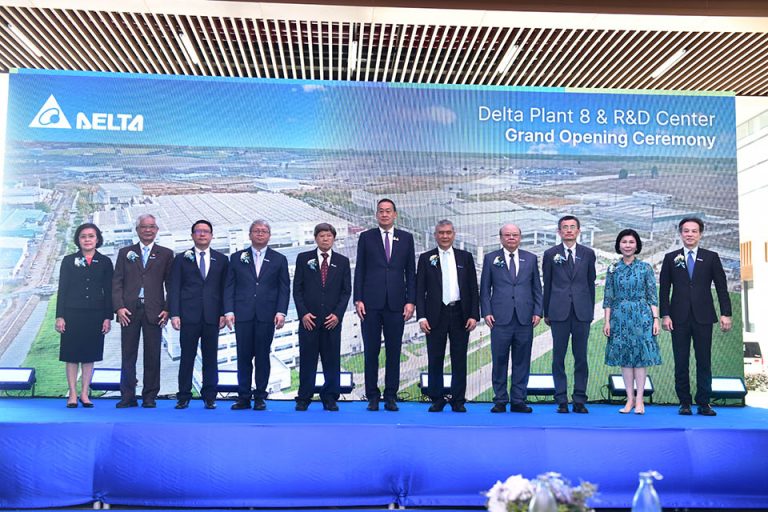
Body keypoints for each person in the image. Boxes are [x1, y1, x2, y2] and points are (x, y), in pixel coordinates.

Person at [659, 217, 732, 416]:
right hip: (678, 318)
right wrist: (665, 315)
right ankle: (684, 402)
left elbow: (722, 287)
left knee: (704, 361)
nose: (689, 234)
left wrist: (726, 313)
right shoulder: (670, 258)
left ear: (700, 234)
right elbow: (664, 289)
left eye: (694, 231)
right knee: (681, 361)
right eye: (686, 231)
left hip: (704, 317)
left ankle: (704, 402)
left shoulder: (711, 257)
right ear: (680, 233)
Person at [354, 198, 416, 412]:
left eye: (388, 211)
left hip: (396, 305)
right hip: (370, 304)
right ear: (376, 214)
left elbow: (411, 272)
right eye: (381, 211)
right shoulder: (366, 237)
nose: (384, 214)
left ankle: (391, 395)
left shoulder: (406, 238)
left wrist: (411, 301)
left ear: (395, 214)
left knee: (393, 352)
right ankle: (372, 395)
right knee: (371, 352)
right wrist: (358, 299)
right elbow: (360, 269)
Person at [224, 220, 290, 411]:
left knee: (262, 357)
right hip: (243, 315)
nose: (260, 234)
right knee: (243, 357)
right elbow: (229, 286)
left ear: (269, 235)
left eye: (264, 231)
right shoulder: (236, 258)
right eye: (256, 231)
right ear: (250, 234)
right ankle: (243, 397)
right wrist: (229, 311)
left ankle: (260, 396)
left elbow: (284, 288)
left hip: (266, 316)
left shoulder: (279, 259)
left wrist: (281, 311)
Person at [416, 220, 479, 412]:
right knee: (435, 358)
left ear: (454, 234)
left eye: (448, 232)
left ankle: (458, 399)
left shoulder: (465, 257)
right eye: (441, 233)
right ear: (435, 235)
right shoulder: (426, 258)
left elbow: (473, 288)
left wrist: (474, 315)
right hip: (435, 315)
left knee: (459, 358)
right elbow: (420, 290)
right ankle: (436, 398)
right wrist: (421, 317)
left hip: (460, 314)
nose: (445, 236)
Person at [112, 214, 173, 408]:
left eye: (151, 227)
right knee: (128, 354)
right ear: (137, 230)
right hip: (128, 311)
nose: (148, 230)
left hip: (155, 311)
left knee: (153, 354)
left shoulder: (166, 254)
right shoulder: (125, 253)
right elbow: (117, 282)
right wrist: (119, 307)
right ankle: (128, 396)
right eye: (144, 227)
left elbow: (171, 284)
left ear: (156, 230)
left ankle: (150, 396)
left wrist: (168, 309)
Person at [480, 223, 542, 413]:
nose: (511, 238)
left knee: (522, 361)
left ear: (520, 237)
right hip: (499, 319)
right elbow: (484, 289)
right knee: (499, 361)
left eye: (515, 235)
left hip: (525, 318)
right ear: (501, 238)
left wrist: (538, 311)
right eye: (507, 235)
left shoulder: (530, 258)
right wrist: (486, 312)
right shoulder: (491, 258)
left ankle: (518, 400)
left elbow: (537, 288)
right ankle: (500, 400)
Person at [168, 220, 229, 410]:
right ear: (192, 235)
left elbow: (225, 289)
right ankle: (183, 396)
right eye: (198, 231)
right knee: (187, 357)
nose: (202, 234)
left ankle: (209, 396)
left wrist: (223, 313)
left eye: (206, 231)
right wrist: (174, 314)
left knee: (211, 358)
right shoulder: (181, 259)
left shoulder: (221, 259)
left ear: (211, 235)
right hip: (188, 316)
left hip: (212, 316)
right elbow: (174, 288)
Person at [293, 223, 351, 411]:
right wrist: (303, 313)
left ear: (334, 238)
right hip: (309, 321)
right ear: (315, 238)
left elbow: (346, 292)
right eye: (321, 236)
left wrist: (337, 315)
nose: (325, 239)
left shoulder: (342, 261)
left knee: (332, 361)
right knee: (307, 361)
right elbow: (297, 290)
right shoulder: (304, 259)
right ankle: (304, 398)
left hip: (331, 322)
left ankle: (330, 397)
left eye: (329, 236)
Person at [602, 229, 661, 415]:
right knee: (625, 359)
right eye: (624, 242)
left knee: (640, 359)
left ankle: (640, 400)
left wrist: (655, 319)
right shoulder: (613, 269)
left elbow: (652, 296)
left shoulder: (645, 268)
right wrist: (607, 321)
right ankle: (629, 399)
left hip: (641, 316)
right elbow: (608, 297)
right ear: (619, 245)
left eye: (631, 242)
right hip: (619, 316)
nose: (627, 245)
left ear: (637, 246)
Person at [55, 223, 113, 408]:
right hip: (72, 314)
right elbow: (62, 290)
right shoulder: (68, 260)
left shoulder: (105, 262)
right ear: (78, 240)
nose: (87, 240)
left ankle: (84, 393)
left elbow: (109, 291)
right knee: (71, 355)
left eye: (91, 236)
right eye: (83, 236)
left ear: (97, 239)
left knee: (89, 355)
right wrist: (60, 316)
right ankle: (72, 394)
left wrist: (107, 317)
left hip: (95, 315)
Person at [542, 215, 596, 414]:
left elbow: (590, 283)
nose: (569, 230)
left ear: (578, 231)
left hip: (582, 313)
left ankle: (579, 399)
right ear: (559, 232)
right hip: (558, 313)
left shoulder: (588, 253)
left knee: (581, 357)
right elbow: (547, 284)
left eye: (573, 227)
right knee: (558, 357)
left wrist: (590, 310)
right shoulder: (550, 254)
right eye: (565, 227)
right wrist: (546, 311)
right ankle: (561, 400)